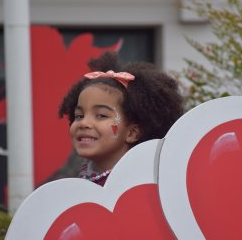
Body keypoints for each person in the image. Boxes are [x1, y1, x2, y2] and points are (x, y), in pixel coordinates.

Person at [58, 52, 184, 186]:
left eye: (101, 115)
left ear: (132, 133)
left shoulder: (145, 186)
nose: (84, 123)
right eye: (79, 116)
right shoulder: (76, 184)